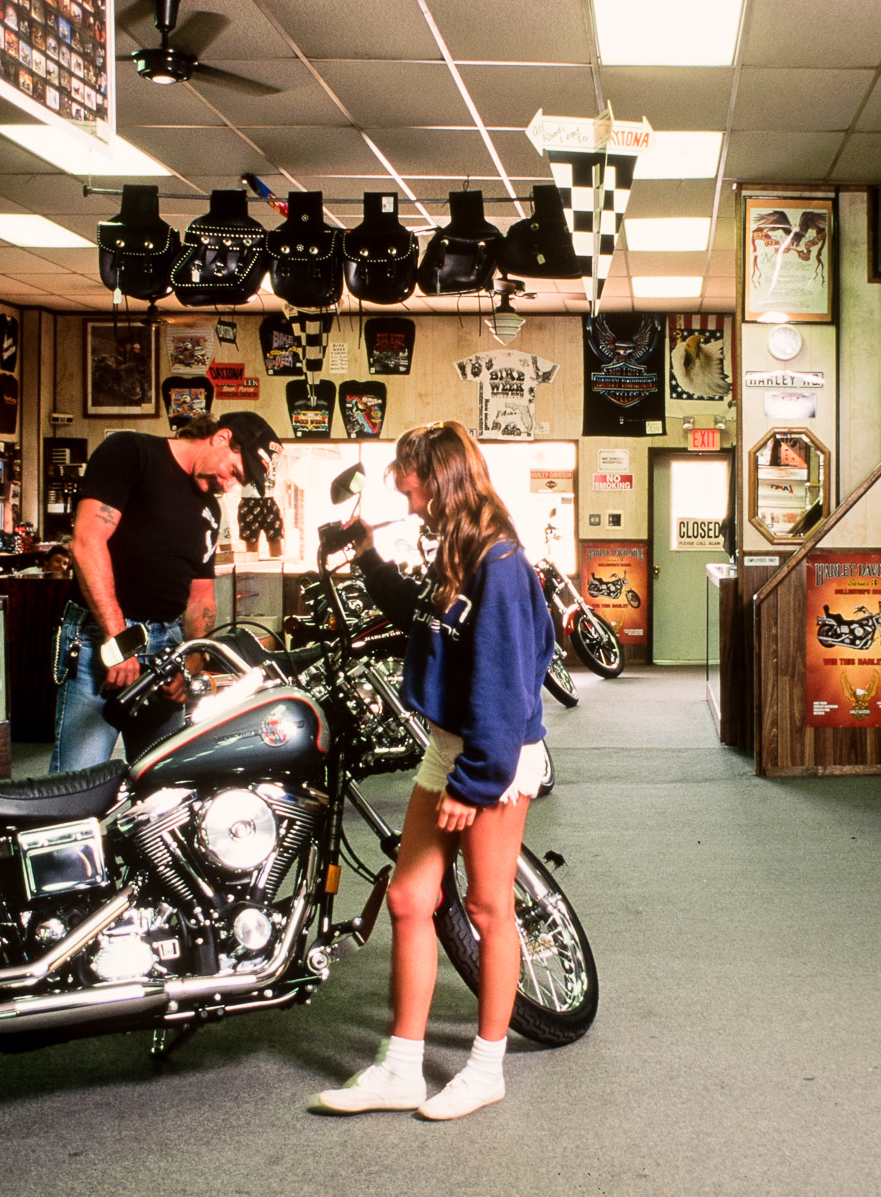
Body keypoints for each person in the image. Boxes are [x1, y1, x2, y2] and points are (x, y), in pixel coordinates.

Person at [311, 420, 557, 1122]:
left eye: (410, 483)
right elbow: (424, 620)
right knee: (410, 899)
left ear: (441, 479)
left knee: (486, 907)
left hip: (494, 755)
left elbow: (508, 691)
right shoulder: (455, 550)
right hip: (450, 746)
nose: (406, 496)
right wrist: (366, 557)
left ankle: (486, 1068)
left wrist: (473, 783)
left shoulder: (500, 563)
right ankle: (401, 1066)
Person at [51, 411, 282, 772]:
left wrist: (189, 668)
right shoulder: (130, 452)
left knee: (165, 784)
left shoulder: (210, 509)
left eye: (240, 481)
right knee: (78, 785)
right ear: (222, 438)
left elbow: (201, 597)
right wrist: (119, 639)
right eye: (234, 472)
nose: (229, 485)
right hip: (102, 640)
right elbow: (86, 543)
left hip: (166, 650)